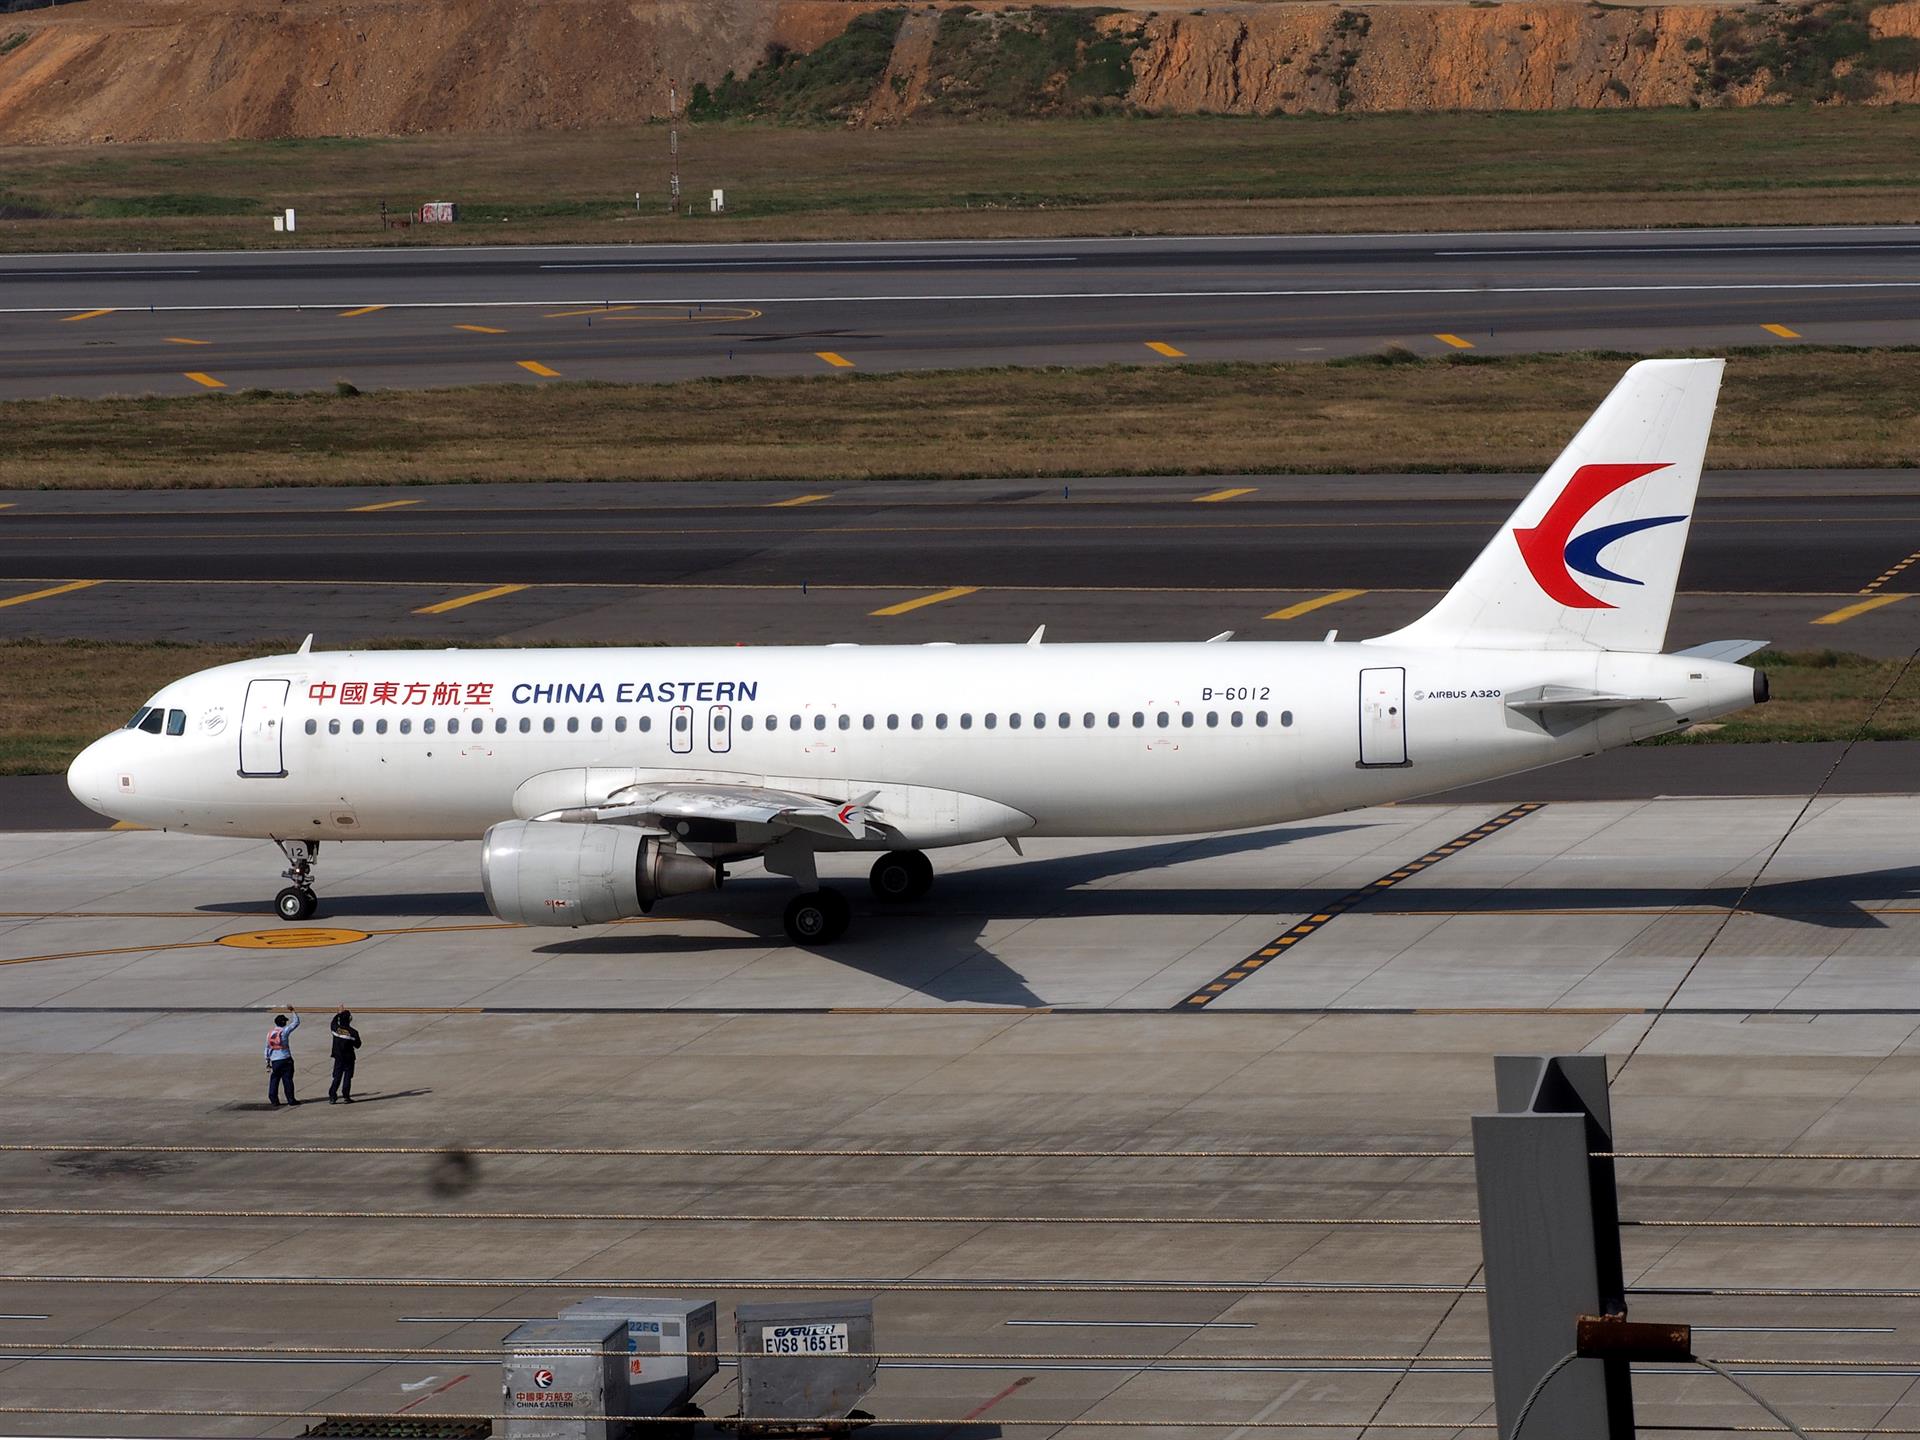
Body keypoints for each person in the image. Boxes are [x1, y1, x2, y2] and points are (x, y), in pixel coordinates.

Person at [265, 1010, 300, 1108]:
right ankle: (291, 1100)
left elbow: (267, 1048)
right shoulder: (284, 1031)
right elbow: (296, 1023)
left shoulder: (270, 1033)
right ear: (284, 1023)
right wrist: (293, 1011)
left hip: (275, 1061)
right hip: (286, 1059)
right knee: (287, 1080)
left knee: (274, 1079)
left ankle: (274, 1100)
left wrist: (267, 1060)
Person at [328, 1009, 362, 1104]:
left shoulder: (336, 1029)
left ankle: (332, 1096)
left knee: (337, 1077)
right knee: (347, 1077)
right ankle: (346, 1096)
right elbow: (358, 1045)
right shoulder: (353, 1032)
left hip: (338, 1057)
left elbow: (332, 1023)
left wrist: (338, 1014)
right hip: (349, 1057)